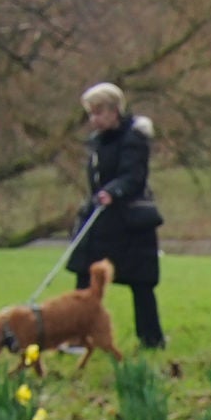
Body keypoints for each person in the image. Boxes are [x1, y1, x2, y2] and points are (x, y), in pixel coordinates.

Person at [70, 82, 165, 349]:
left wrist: (113, 191)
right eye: (91, 114)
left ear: (114, 111)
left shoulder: (134, 138)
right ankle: (79, 336)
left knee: (141, 283)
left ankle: (151, 338)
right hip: (102, 220)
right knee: (84, 274)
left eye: (98, 112)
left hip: (131, 222)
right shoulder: (97, 142)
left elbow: (134, 176)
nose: (94, 120)